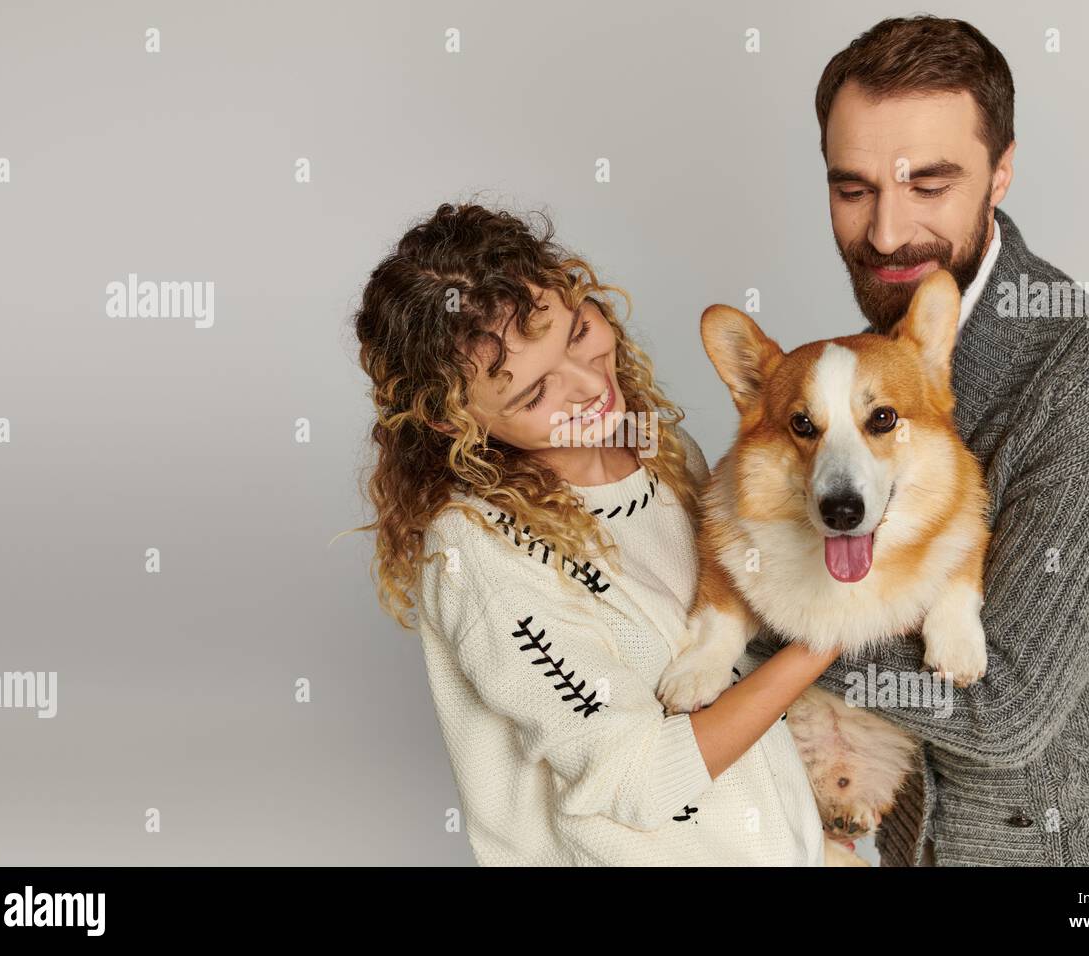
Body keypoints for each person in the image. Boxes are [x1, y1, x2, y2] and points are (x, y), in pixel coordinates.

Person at [759, 14, 1089, 865]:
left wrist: (770, 630)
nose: (887, 234)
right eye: (853, 189)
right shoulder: (864, 367)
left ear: (1001, 171)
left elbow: (1000, 709)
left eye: (929, 185)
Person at [352, 202, 846, 865]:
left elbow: (732, 671)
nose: (590, 385)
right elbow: (638, 780)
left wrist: (801, 824)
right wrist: (826, 636)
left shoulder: (668, 454)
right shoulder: (476, 552)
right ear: (451, 419)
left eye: (579, 332)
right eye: (533, 394)